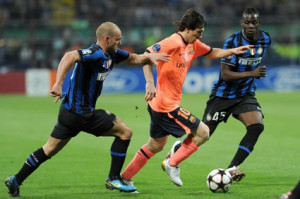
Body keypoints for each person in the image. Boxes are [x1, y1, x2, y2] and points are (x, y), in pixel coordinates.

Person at [4, 22, 170, 197]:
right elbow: (69, 56)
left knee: (50, 148)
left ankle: (16, 179)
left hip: (68, 113)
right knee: (125, 132)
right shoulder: (95, 53)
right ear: (107, 39)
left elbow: (133, 59)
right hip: (81, 112)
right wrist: (59, 83)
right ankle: (114, 178)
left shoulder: (111, 54)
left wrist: (149, 58)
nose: (120, 43)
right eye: (118, 40)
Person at [120, 8, 252, 189]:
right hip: (167, 105)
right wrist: (149, 83)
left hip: (161, 104)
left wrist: (234, 51)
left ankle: (125, 178)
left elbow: (212, 52)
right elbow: (146, 56)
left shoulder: (193, 45)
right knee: (203, 132)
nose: (200, 37)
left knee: (156, 145)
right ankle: (172, 163)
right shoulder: (172, 42)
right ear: (188, 29)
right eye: (198, 32)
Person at [166, 7, 271, 182]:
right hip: (223, 95)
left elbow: (254, 55)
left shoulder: (266, 39)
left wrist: (250, 75)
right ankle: (175, 153)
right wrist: (251, 73)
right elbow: (226, 75)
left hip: (245, 95)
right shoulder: (232, 41)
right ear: (242, 23)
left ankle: (231, 168)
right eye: (247, 22)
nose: (251, 25)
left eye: (254, 22)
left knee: (256, 126)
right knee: (203, 134)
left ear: (259, 23)